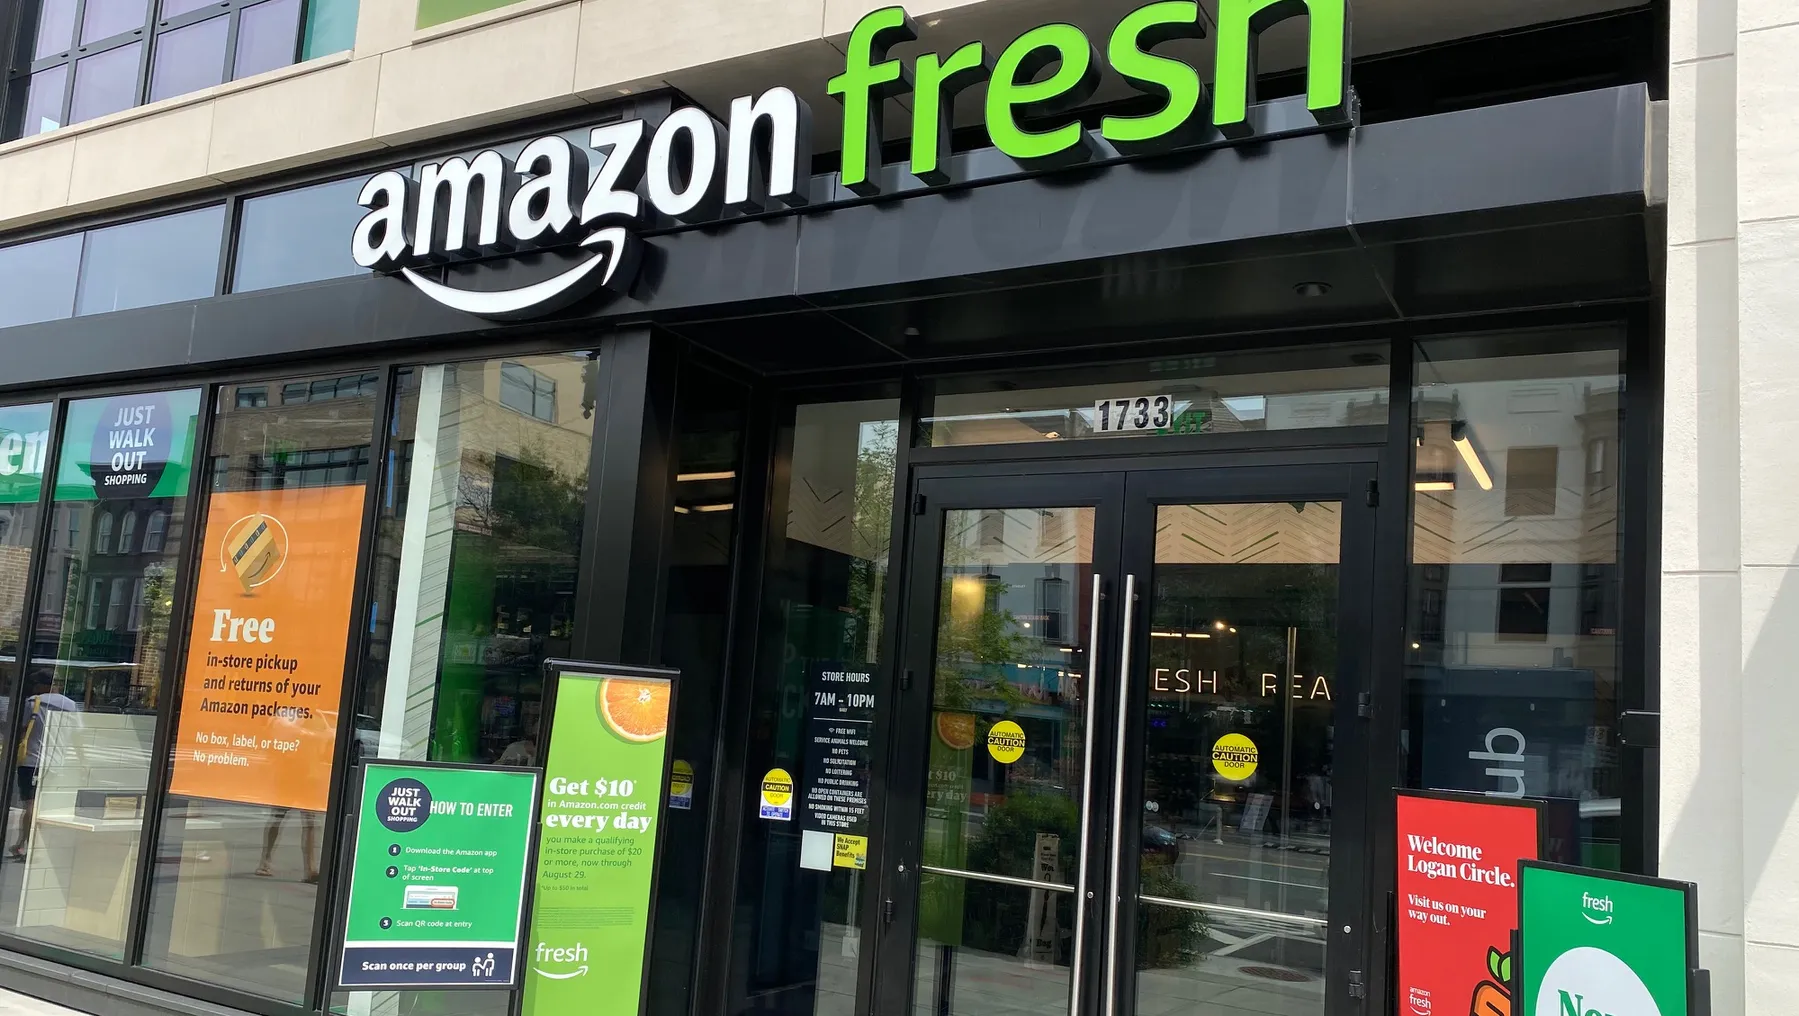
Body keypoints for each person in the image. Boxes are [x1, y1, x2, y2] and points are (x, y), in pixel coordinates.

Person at [8, 677, 81, 861]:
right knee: (47, 807)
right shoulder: (71, 705)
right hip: (56, 763)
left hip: (31, 761)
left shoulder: (33, 702)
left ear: (42, 685)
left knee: (31, 804)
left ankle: (24, 844)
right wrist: (82, 760)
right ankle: (35, 845)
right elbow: (77, 735)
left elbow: (20, 728)